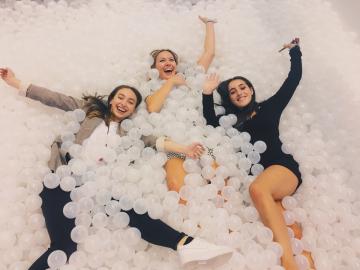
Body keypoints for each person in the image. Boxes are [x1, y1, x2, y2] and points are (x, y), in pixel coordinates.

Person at [0, 67, 233, 270]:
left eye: (131, 102)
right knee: (64, 247)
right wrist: (16, 82)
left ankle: (188, 244)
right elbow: (54, 98)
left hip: (96, 187)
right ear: (111, 100)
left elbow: (155, 141)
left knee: (132, 210)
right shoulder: (89, 111)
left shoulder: (129, 133)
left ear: (133, 111)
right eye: (121, 97)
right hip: (62, 180)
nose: (124, 103)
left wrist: (184, 149)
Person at [201, 39, 304, 270]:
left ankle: (288, 264)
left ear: (252, 89)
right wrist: (207, 94)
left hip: (282, 169)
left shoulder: (269, 107)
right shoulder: (231, 123)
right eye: (233, 92)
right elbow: (210, 122)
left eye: (243, 87)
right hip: (263, 180)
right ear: (229, 99)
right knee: (291, 233)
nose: (239, 93)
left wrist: (295, 51)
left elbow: (293, 80)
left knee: (258, 190)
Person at [146, 16, 216, 193]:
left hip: (201, 138)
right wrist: (171, 83)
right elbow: (153, 108)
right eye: (162, 60)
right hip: (174, 145)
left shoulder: (191, 78)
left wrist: (209, 24)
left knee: (217, 181)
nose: (168, 62)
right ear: (154, 69)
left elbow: (209, 54)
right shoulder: (151, 89)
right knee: (176, 187)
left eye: (171, 59)